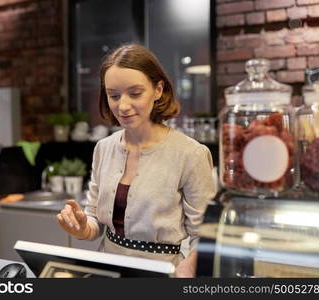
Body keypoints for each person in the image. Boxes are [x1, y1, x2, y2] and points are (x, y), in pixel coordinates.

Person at [57, 44, 215, 277]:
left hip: (162, 273)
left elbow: (205, 233)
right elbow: (95, 221)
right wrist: (82, 228)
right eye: (114, 95)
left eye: (135, 93)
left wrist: (190, 265)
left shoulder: (191, 154)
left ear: (158, 90)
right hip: (106, 271)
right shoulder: (104, 148)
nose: (122, 106)